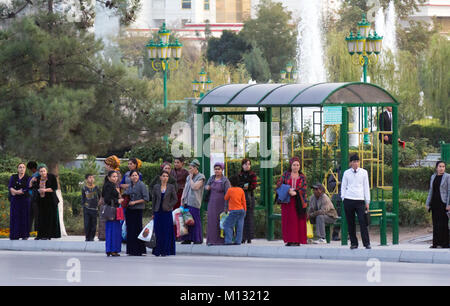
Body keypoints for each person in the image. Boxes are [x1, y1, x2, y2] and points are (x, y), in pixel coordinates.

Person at [341, 154, 371, 250]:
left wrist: (367, 201)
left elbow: (366, 187)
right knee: (351, 223)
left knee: (363, 222)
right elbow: (343, 186)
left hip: (360, 200)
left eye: (357, 161)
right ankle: (354, 243)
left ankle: (366, 243)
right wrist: (343, 198)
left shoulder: (364, 172)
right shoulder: (346, 173)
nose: (356, 163)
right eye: (354, 162)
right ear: (350, 163)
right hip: (349, 199)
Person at [276, 157, 308, 246]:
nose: (296, 167)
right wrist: (288, 190)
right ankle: (289, 240)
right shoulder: (285, 175)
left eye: (298, 165)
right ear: (291, 165)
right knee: (288, 221)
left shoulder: (302, 176)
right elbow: (278, 185)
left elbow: (304, 189)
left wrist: (297, 192)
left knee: (297, 221)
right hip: (287, 202)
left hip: (298, 202)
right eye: (294, 165)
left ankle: (297, 241)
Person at [29, 164, 61, 240]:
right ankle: (40, 235)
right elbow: (31, 187)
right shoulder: (37, 178)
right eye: (41, 171)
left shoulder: (51, 177)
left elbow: (54, 188)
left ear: (46, 171)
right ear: (39, 172)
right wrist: (31, 181)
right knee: (40, 218)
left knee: (48, 218)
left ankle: (48, 235)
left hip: (50, 200)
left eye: (44, 171)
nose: (43, 172)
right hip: (40, 201)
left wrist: (45, 190)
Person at [151, 170, 178, 256]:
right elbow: (154, 201)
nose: (165, 177)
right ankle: (157, 250)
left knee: (166, 231)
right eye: (163, 176)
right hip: (158, 211)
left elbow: (175, 199)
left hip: (167, 212)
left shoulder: (171, 187)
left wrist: (169, 206)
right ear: (160, 177)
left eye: (166, 176)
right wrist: (153, 212)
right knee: (158, 231)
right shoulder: (156, 187)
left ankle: (166, 251)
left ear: (168, 178)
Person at [123, 170, 148, 256]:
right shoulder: (129, 186)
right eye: (132, 175)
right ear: (130, 177)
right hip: (129, 210)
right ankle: (131, 250)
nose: (134, 177)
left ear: (138, 176)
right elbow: (125, 195)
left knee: (137, 229)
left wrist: (135, 202)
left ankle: (139, 250)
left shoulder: (142, 185)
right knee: (130, 230)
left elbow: (146, 198)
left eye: (136, 175)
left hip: (137, 209)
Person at [180, 159, 205, 245]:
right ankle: (187, 239)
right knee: (186, 221)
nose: (189, 170)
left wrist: (191, 179)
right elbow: (185, 189)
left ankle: (197, 239)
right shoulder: (188, 177)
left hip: (194, 202)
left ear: (195, 168)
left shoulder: (201, 177)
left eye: (190, 168)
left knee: (194, 220)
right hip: (186, 201)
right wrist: (182, 200)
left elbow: (195, 187)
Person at [425, 161, 450, 248]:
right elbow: (431, 191)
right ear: (436, 167)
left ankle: (445, 243)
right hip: (434, 203)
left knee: (444, 224)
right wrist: (427, 203)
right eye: (440, 166)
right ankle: (436, 243)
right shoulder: (433, 177)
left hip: (443, 203)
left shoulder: (447, 176)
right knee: (436, 224)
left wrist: (448, 204)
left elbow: (449, 191)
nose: (442, 168)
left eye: (443, 166)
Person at [205, 162, 231, 246]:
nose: (217, 171)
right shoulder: (211, 178)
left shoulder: (225, 180)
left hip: (221, 203)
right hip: (212, 203)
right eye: (215, 169)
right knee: (211, 221)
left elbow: (228, 193)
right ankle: (211, 240)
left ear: (222, 170)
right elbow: (206, 187)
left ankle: (221, 241)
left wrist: (226, 207)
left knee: (220, 221)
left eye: (218, 169)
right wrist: (207, 188)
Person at [98, 155, 121, 241]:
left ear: (110, 165)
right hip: (108, 199)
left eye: (106, 164)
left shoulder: (115, 174)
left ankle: (105, 236)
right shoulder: (109, 174)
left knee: (107, 216)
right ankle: (103, 235)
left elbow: (116, 188)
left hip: (111, 200)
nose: (105, 166)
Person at [102, 170, 122, 257]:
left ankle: (110, 249)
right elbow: (107, 199)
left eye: (116, 176)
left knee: (112, 230)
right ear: (109, 177)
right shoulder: (108, 186)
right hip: (112, 211)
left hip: (113, 210)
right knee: (113, 230)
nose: (115, 178)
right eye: (113, 176)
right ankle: (113, 250)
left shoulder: (112, 185)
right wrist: (118, 200)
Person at [8, 163, 31, 240]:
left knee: (24, 217)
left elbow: (28, 189)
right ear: (17, 169)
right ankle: (15, 235)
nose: (21, 168)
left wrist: (17, 192)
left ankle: (24, 235)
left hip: (24, 201)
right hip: (15, 201)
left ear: (25, 169)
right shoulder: (13, 177)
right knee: (15, 217)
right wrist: (17, 191)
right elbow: (10, 187)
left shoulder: (28, 178)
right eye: (20, 167)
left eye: (23, 167)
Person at [238, 158, 258, 244]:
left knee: (249, 217)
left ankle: (249, 237)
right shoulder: (239, 174)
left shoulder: (252, 174)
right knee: (242, 217)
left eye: (249, 164)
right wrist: (244, 185)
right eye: (245, 164)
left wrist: (246, 186)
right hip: (240, 198)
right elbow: (237, 184)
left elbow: (253, 185)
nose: (247, 166)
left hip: (249, 197)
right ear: (242, 165)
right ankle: (242, 237)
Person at [223, 175, 247, 245]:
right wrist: (245, 210)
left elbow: (225, 198)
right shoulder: (241, 190)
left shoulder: (230, 190)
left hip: (234, 210)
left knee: (227, 225)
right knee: (240, 226)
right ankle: (238, 241)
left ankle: (228, 241)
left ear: (230, 183)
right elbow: (244, 201)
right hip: (242, 210)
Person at [81, 174, 101, 242]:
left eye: (92, 177)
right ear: (86, 180)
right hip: (86, 208)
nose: (91, 179)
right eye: (90, 177)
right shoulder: (84, 188)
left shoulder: (96, 187)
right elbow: (83, 198)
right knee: (87, 223)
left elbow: (100, 196)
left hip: (94, 208)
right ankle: (87, 237)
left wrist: (99, 203)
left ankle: (92, 237)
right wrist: (83, 205)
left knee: (93, 223)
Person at [26, 161, 39, 233]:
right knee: (35, 215)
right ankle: (35, 231)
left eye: (30, 169)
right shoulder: (35, 175)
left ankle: (33, 231)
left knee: (33, 215)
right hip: (33, 198)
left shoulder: (35, 176)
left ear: (33, 168)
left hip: (33, 198)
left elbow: (31, 187)